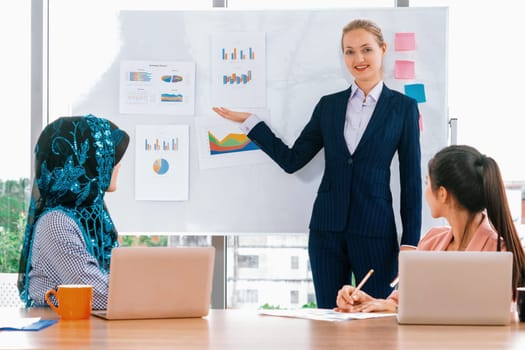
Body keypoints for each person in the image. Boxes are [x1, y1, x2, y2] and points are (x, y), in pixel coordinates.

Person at [213, 18, 422, 308]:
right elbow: (292, 160)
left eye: (366, 50)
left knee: (377, 321)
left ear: (383, 49)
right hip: (327, 232)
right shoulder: (329, 105)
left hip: (376, 232)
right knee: (328, 318)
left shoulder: (403, 108)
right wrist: (251, 123)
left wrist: (410, 241)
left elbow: (411, 180)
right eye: (349, 52)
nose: (358, 59)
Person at [336, 145, 525, 312]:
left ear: (442, 194)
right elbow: (402, 302)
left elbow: (502, 315)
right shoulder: (431, 241)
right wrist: (368, 303)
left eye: (427, 183)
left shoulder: (499, 252)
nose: (425, 192)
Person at [17, 114, 130, 310]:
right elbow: (95, 294)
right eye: (110, 158)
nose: (119, 165)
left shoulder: (93, 215)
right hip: (59, 332)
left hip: (90, 328)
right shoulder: (56, 222)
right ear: (89, 163)